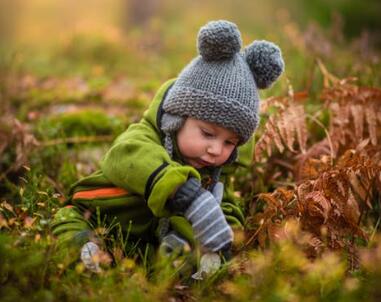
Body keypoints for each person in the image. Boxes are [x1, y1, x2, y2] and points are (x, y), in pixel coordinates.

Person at [51, 20, 284, 274]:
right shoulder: (144, 138)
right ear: (177, 119)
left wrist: (223, 237)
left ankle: (174, 261)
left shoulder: (214, 172)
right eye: (207, 134)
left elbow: (226, 204)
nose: (216, 150)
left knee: (189, 249)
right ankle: (83, 250)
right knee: (71, 223)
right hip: (96, 213)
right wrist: (184, 192)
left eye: (230, 142)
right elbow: (126, 156)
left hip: (143, 242)